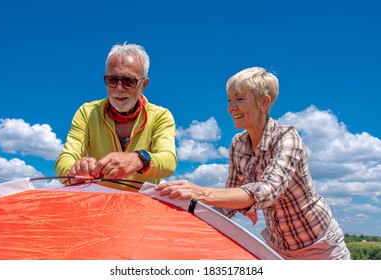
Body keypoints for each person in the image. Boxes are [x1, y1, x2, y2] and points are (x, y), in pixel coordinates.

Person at [155, 67, 350, 260]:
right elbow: (228, 204)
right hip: (278, 249)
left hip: (322, 248)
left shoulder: (287, 138)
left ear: (264, 102)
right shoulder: (237, 144)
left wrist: (201, 193)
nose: (231, 107)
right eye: (229, 99)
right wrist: (185, 210)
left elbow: (268, 190)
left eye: (240, 99)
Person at [55, 43, 177, 190]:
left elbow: (169, 161)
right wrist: (75, 169)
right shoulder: (87, 112)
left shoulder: (161, 116)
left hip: (142, 204)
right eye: (112, 80)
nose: (119, 89)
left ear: (144, 84)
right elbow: (65, 159)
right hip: (96, 201)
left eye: (129, 81)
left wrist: (139, 159)